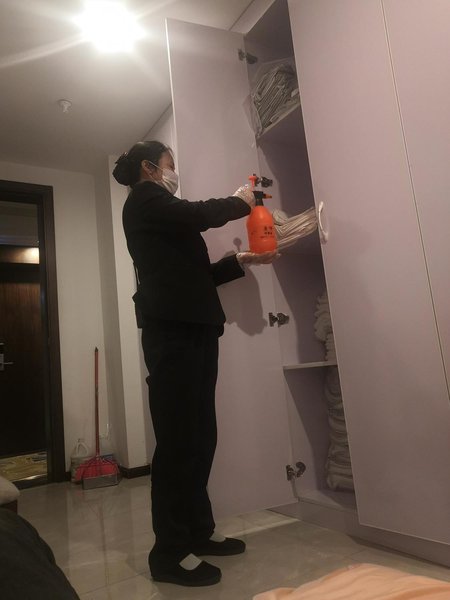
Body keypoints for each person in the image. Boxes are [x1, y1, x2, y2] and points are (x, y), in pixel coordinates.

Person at [113, 140, 277, 587]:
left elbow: (194, 276)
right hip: (173, 333)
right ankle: (168, 554)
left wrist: (240, 260)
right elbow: (199, 213)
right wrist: (241, 202)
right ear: (150, 168)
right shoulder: (144, 199)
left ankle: (197, 532)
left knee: (200, 437)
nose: (174, 171)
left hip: (195, 328)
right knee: (178, 442)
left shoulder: (160, 214)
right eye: (170, 164)